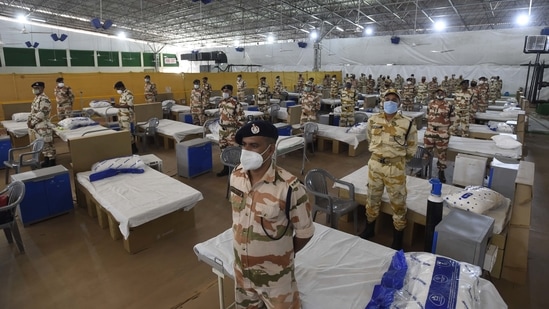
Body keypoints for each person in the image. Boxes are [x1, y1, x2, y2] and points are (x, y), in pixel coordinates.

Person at [230, 120, 315, 309]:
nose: (247, 151)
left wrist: (282, 255)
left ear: (270, 149)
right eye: (244, 145)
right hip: (242, 271)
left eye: (254, 145)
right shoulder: (236, 176)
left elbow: (305, 232)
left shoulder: (290, 188)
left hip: (276, 278)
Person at [359, 88, 417, 250]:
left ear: (399, 103)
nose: (390, 101)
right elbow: (370, 138)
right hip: (375, 165)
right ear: (382, 101)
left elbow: (412, 148)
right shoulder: (373, 120)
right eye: (388, 98)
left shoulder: (408, 122)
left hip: (395, 168)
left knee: (398, 203)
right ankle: (369, 229)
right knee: (372, 198)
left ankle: (397, 239)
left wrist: (398, 160)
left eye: (394, 99)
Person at [424, 88, 454, 183]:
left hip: (442, 133)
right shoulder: (430, 103)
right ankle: (423, 169)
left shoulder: (449, 105)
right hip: (430, 132)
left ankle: (441, 172)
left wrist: (448, 131)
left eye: (441, 92)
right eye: (438, 92)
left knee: (442, 154)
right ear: (435, 93)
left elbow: (453, 119)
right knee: (426, 152)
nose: (439, 93)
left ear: (445, 93)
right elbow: (428, 115)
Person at [217, 84, 245, 176]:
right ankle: (226, 169)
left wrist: (237, 131)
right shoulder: (221, 102)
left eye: (227, 91)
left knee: (234, 151)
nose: (225, 92)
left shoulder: (235, 103)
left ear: (231, 92)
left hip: (232, 131)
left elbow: (241, 119)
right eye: (224, 91)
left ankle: (236, 171)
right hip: (222, 131)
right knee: (223, 150)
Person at [28, 82, 56, 167]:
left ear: (43, 88)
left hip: (43, 125)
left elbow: (42, 112)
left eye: (38, 87)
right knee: (43, 145)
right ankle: (46, 160)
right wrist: (29, 121)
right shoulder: (36, 98)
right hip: (38, 126)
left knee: (48, 144)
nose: (35, 89)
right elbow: (33, 112)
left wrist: (32, 122)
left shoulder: (44, 99)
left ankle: (52, 162)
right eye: (34, 88)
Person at [113, 81, 138, 154]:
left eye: (117, 89)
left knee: (127, 132)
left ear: (121, 87)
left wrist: (118, 106)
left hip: (127, 116)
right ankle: (128, 148)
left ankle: (134, 149)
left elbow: (129, 105)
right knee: (124, 132)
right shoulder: (123, 94)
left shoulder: (128, 93)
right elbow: (123, 104)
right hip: (122, 116)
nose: (117, 91)